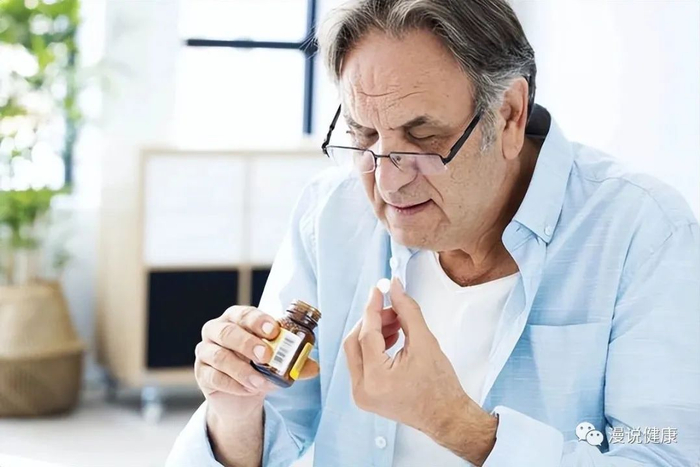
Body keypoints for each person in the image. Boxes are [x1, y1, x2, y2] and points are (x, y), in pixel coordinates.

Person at [167, 1, 700, 466]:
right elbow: (280, 427)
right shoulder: (329, 212)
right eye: (363, 134)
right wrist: (236, 411)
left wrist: (457, 425)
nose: (388, 180)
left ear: (509, 115)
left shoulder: (643, 232)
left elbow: (665, 452)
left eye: (423, 137)